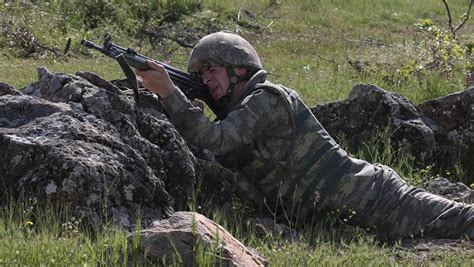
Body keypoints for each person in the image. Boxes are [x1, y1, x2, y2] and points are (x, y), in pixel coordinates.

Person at [135, 31, 474, 240]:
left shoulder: (266, 99)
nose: (206, 80)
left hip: (374, 195)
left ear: (239, 70)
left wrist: (170, 94)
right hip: (346, 211)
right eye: (201, 75)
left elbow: (216, 139)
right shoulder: (241, 110)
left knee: (462, 220)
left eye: (212, 71)